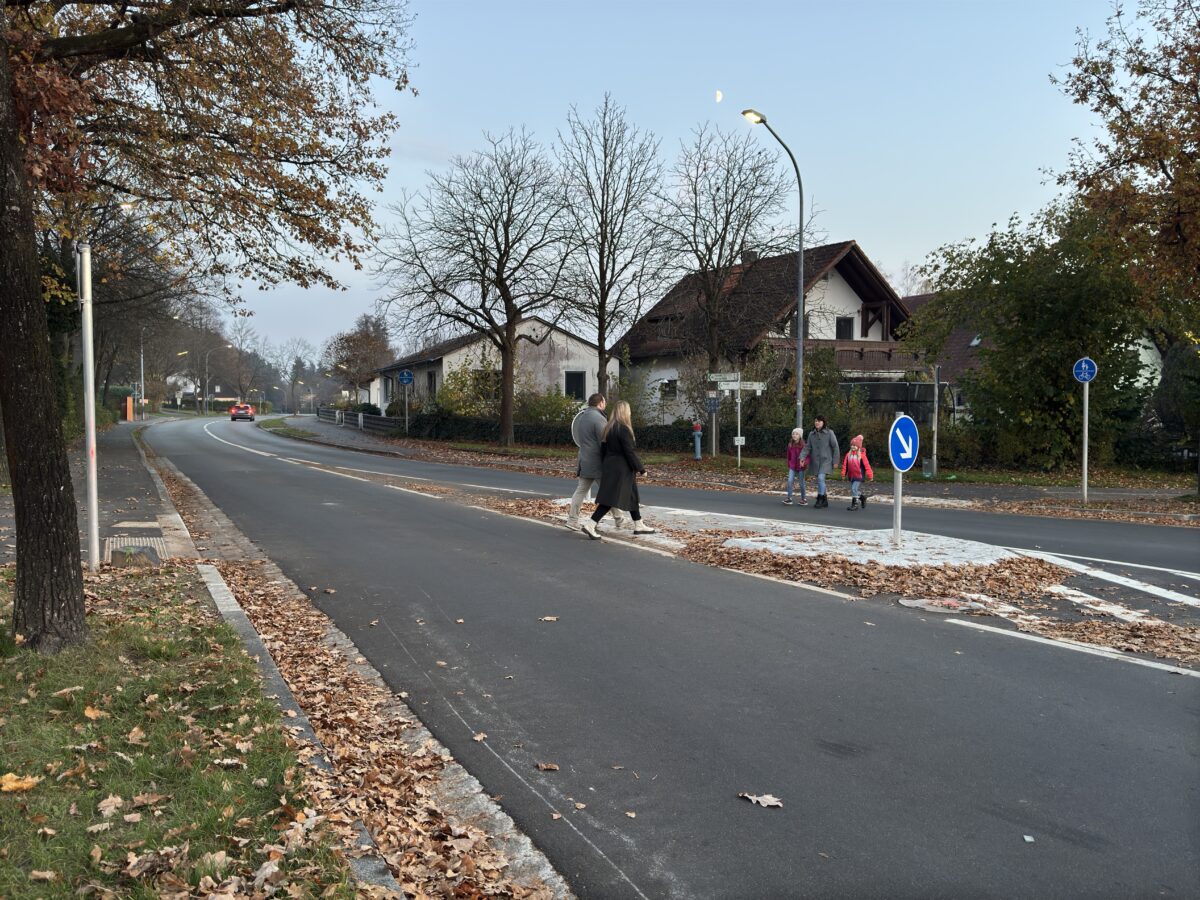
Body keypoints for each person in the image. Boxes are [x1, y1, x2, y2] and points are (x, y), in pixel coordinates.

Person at [581, 400, 656, 539]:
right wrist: (641, 469)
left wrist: (607, 464)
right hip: (621, 468)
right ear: (624, 412)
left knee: (632, 495)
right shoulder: (623, 429)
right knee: (611, 499)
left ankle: (638, 524)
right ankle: (591, 524)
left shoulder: (608, 428)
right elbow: (629, 452)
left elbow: (602, 450)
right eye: (629, 410)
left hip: (611, 466)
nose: (630, 413)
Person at [567, 393, 628, 531]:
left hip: (584, 459)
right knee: (609, 491)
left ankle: (572, 519)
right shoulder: (598, 418)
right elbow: (605, 439)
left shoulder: (582, 417)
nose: (605, 404)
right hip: (597, 462)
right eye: (604, 402)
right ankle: (619, 519)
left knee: (581, 491)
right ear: (600, 403)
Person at [800, 415, 839, 509]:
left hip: (826, 461)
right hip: (815, 462)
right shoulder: (811, 434)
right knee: (820, 481)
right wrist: (802, 457)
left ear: (823, 423)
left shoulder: (830, 433)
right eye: (816, 421)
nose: (817, 423)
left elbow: (835, 447)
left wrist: (835, 461)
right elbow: (807, 447)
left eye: (819, 421)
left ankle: (820, 499)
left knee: (821, 479)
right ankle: (825, 500)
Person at [841, 434, 874, 510]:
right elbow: (845, 465)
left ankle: (855, 505)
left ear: (859, 446)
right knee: (854, 490)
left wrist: (870, 475)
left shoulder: (862, 456)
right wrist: (843, 474)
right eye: (852, 445)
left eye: (855, 445)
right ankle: (862, 497)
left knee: (853, 489)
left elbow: (867, 466)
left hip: (859, 476)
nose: (853, 447)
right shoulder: (848, 455)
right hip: (851, 475)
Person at [782, 427, 808, 506]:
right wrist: (789, 464)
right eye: (793, 434)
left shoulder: (804, 445)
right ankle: (789, 498)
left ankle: (803, 499)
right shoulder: (790, 445)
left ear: (800, 436)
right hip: (792, 466)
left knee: (801, 483)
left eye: (796, 434)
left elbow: (808, 456)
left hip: (801, 467)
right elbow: (789, 455)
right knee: (790, 481)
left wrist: (805, 463)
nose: (794, 435)